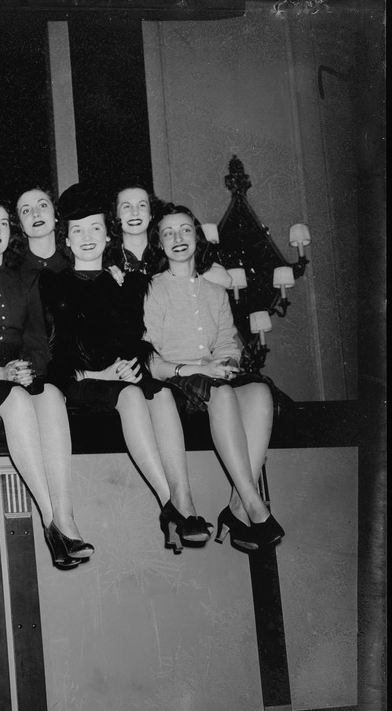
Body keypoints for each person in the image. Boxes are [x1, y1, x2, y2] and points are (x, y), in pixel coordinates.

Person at [43, 184, 210, 552]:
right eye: (78, 231)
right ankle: (171, 502)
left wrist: (133, 367)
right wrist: (105, 375)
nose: (88, 237)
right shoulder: (54, 285)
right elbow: (59, 354)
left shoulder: (129, 283)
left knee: (159, 392)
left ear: (108, 235)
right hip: (81, 380)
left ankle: (184, 499)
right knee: (133, 396)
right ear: (67, 242)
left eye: (96, 229)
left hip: (120, 379)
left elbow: (135, 341)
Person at [0, 198, 94, 568]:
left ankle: (66, 516)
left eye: (3, 224)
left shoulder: (26, 279)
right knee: (16, 399)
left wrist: (29, 366)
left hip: (20, 368)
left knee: (50, 394)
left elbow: (36, 339)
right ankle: (52, 520)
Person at [143, 204, 283, 552]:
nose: (178, 238)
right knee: (220, 392)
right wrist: (201, 370)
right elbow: (152, 361)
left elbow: (226, 341)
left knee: (260, 393)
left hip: (214, 376)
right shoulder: (153, 290)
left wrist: (227, 362)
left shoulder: (215, 291)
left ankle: (236, 505)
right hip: (177, 379)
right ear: (159, 243)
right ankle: (252, 503)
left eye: (185, 230)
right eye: (168, 232)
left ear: (197, 237)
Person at [109, 182, 232, 289]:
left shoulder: (168, 249)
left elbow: (226, 279)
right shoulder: (107, 259)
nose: (135, 212)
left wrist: (178, 274)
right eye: (126, 206)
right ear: (115, 215)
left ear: (151, 214)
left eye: (142, 205)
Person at [15, 184, 72, 275]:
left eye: (42, 205)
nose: (35, 213)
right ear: (21, 225)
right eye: (26, 211)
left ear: (55, 215)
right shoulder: (13, 273)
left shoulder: (75, 265)